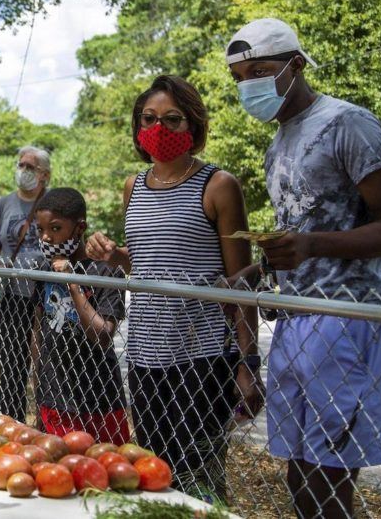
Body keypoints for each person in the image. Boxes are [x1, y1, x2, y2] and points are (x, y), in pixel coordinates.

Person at [225, 18, 381, 519]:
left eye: (260, 71)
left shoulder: (347, 123)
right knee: (297, 469)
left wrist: (310, 245)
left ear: (295, 64)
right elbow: (305, 230)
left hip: (345, 317)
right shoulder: (278, 142)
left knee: (328, 477)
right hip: (295, 318)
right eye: (240, 78)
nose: (250, 86)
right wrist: (264, 265)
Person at [86, 75, 263, 503]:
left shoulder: (218, 185)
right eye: (149, 119)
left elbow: (241, 284)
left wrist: (248, 363)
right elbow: (149, 262)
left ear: (195, 127)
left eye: (173, 119)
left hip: (200, 356)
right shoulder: (134, 186)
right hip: (145, 355)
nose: (159, 129)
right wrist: (114, 256)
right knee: (152, 475)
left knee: (199, 482)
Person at [32, 188, 129, 444]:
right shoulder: (44, 269)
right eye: (40, 230)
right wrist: (40, 382)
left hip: (100, 397)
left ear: (79, 228)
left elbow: (102, 336)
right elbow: (38, 329)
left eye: (55, 229)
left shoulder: (106, 271)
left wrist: (72, 282)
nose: (46, 238)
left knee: (107, 469)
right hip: (55, 395)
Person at [0, 146, 50, 421]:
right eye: (21, 165)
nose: (23, 170)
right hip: (11, 295)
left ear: (45, 174)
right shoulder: (3, 204)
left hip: (46, 294)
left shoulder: (52, 202)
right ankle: (11, 422)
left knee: (46, 364)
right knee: (12, 365)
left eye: (30, 167)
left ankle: (47, 424)